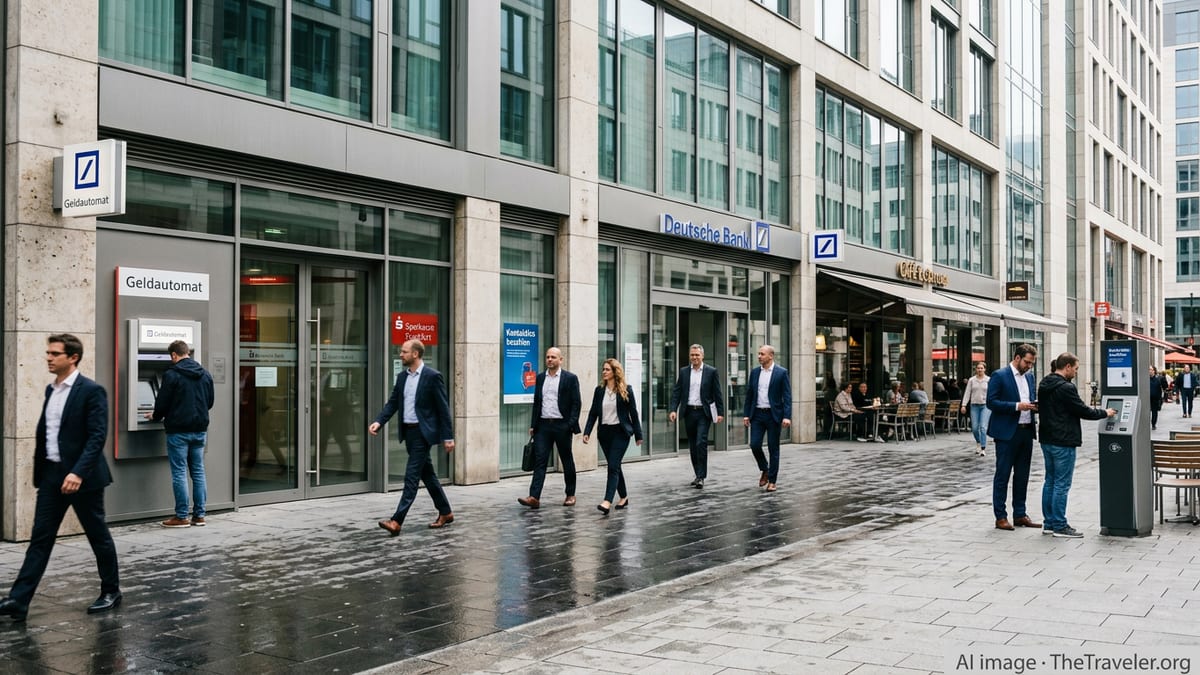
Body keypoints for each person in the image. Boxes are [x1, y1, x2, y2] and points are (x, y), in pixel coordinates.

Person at [0, 334, 122, 622]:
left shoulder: (91, 391)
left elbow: (96, 437)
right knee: (40, 539)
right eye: (48, 353)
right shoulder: (50, 390)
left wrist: (78, 472)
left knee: (98, 535)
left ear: (73, 357)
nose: (49, 358)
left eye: (55, 353)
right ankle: (19, 600)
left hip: (84, 479)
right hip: (53, 478)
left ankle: (111, 590)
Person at [370, 339, 455, 535]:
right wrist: (379, 421)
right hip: (408, 432)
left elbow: (443, 409)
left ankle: (396, 521)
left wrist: (448, 437)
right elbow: (393, 403)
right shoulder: (402, 378)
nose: (401, 355)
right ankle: (446, 512)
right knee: (429, 475)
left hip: (422, 433)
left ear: (415, 354)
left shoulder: (432, 377)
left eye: (404, 352)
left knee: (411, 476)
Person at [1037, 353, 1116, 538]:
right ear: (1067, 367)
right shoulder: (1066, 387)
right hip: (1064, 440)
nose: (1076, 372)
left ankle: (1048, 523)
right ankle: (1059, 525)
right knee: (1062, 484)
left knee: (1050, 481)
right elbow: (1082, 410)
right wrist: (1105, 412)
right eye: (1076, 368)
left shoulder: (1044, 383)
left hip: (1047, 439)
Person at [147, 340, 215, 528]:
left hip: (178, 430)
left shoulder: (171, 374)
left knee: (179, 472)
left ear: (174, 355)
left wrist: (155, 416)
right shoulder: (205, 374)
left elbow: (162, 402)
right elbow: (209, 402)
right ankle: (200, 515)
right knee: (198, 471)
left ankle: (181, 516)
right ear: (188, 353)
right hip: (200, 429)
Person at [518, 347, 582, 509]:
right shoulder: (540, 378)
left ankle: (570, 494)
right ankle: (534, 496)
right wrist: (533, 425)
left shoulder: (570, 378)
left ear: (561, 360)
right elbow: (537, 402)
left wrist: (570, 425)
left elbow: (576, 403)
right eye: (547, 357)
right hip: (543, 426)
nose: (550, 360)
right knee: (540, 460)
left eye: (553, 357)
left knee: (566, 459)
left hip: (562, 425)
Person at [987, 344, 1042, 532]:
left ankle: (1020, 514)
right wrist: (1017, 406)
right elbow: (991, 402)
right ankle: (1000, 516)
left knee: (1022, 475)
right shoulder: (1000, 375)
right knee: (1003, 475)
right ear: (1017, 358)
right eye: (1027, 362)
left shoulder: (1030, 377)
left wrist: (1034, 406)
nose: (1029, 366)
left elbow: (1031, 397)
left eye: (1032, 363)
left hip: (1026, 431)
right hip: (1007, 432)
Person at [583, 358, 644, 514]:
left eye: (607, 369)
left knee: (612, 466)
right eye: (603, 369)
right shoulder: (599, 390)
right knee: (614, 465)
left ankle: (607, 501)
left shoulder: (626, 390)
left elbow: (634, 414)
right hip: (604, 434)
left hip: (620, 433)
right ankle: (623, 496)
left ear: (615, 372)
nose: (604, 372)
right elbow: (593, 413)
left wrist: (638, 434)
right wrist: (587, 432)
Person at [667, 344, 724, 488]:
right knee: (693, 445)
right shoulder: (684, 372)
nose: (694, 357)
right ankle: (697, 474)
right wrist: (673, 409)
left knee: (701, 443)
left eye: (697, 355)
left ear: (702, 356)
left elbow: (718, 393)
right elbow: (677, 392)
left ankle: (701, 476)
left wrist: (720, 413)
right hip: (689, 412)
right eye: (692, 355)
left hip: (704, 413)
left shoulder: (711, 372)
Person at [742, 345, 791, 492]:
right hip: (757, 414)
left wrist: (787, 416)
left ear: (771, 356)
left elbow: (787, 397)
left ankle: (773, 481)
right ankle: (765, 468)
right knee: (755, 445)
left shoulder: (781, 373)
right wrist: (746, 414)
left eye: (762, 354)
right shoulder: (755, 372)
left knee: (773, 447)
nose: (759, 356)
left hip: (773, 415)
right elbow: (749, 395)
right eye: (758, 354)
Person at [960, 362, 991, 457]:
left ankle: (983, 448)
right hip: (974, 406)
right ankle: (978, 441)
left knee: (983, 427)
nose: (980, 370)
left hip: (985, 406)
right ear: (976, 369)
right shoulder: (972, 380)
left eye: (981, 368)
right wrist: (963, 405)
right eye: (978, 368)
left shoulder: (989, 380)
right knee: (974, 428)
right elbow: (967, 392)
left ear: (984, 369)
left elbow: (992, 393)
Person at [1149, 365, 1166, 431]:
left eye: (1150, 369)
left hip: (1155, 399)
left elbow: (1162, 388)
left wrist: (1160, 398)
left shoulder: (1158, 379)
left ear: (1154, 371)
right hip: (1147, 398)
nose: (1149, 371)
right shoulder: (1145, 380)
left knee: (1154, 412)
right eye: (1148, 369)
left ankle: (1153, 424)